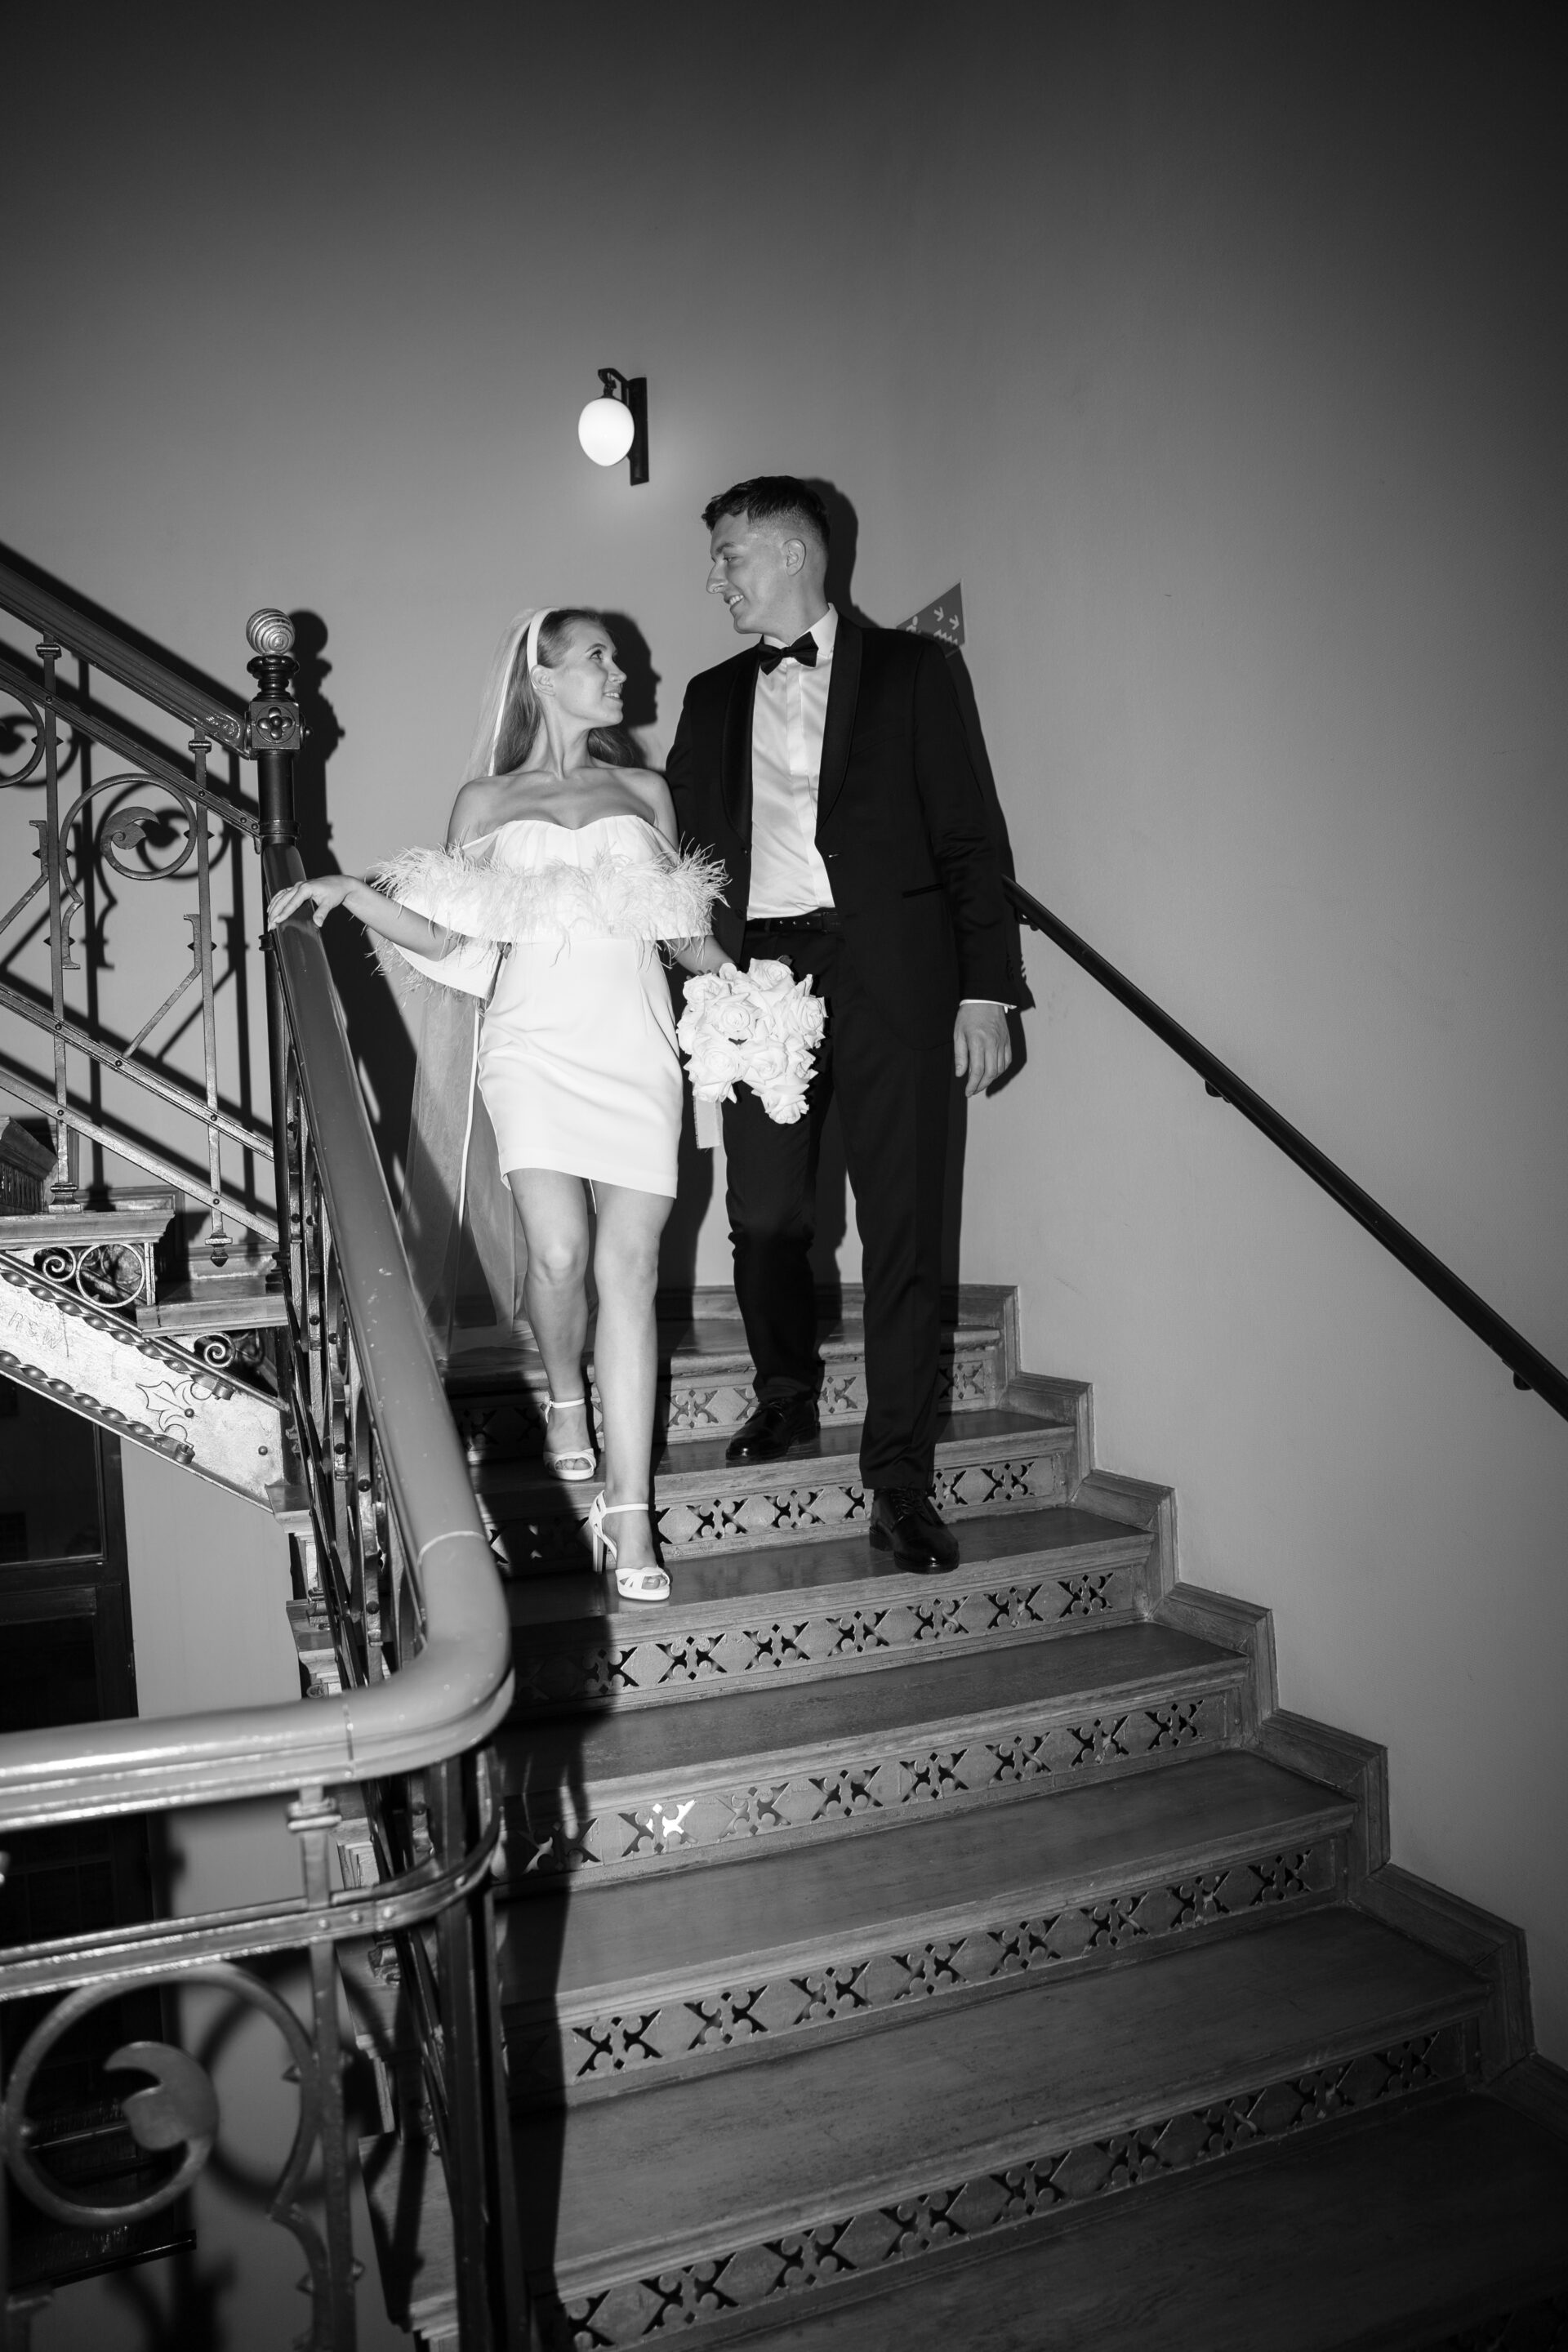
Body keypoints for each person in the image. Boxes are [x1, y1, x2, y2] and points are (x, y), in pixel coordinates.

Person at [268, 608, 730, 1604]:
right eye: (600, 657)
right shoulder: (484, 801)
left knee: (631, 1268)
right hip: (530, 1048)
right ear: (544, 677)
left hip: (636, 1049)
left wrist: (752, 995)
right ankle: (566, 1397)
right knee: (558, 1254)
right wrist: (354, 892)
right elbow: (450, 941)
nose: (621, 673)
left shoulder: (646, 791)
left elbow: (683, 931)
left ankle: (629, 1512)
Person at [666, 479, 1013, 1572]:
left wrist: (986, 990)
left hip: (894, 977)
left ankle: (899, 1480)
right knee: (767, 1214)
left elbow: (969, 839)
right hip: (757, 974)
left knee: (904, 1228)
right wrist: (687, 957)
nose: (716, 579)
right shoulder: (710, 697)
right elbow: (679, 855)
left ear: (792, 552)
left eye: (729, 555)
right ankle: (785, 1386)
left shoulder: (915, 672)